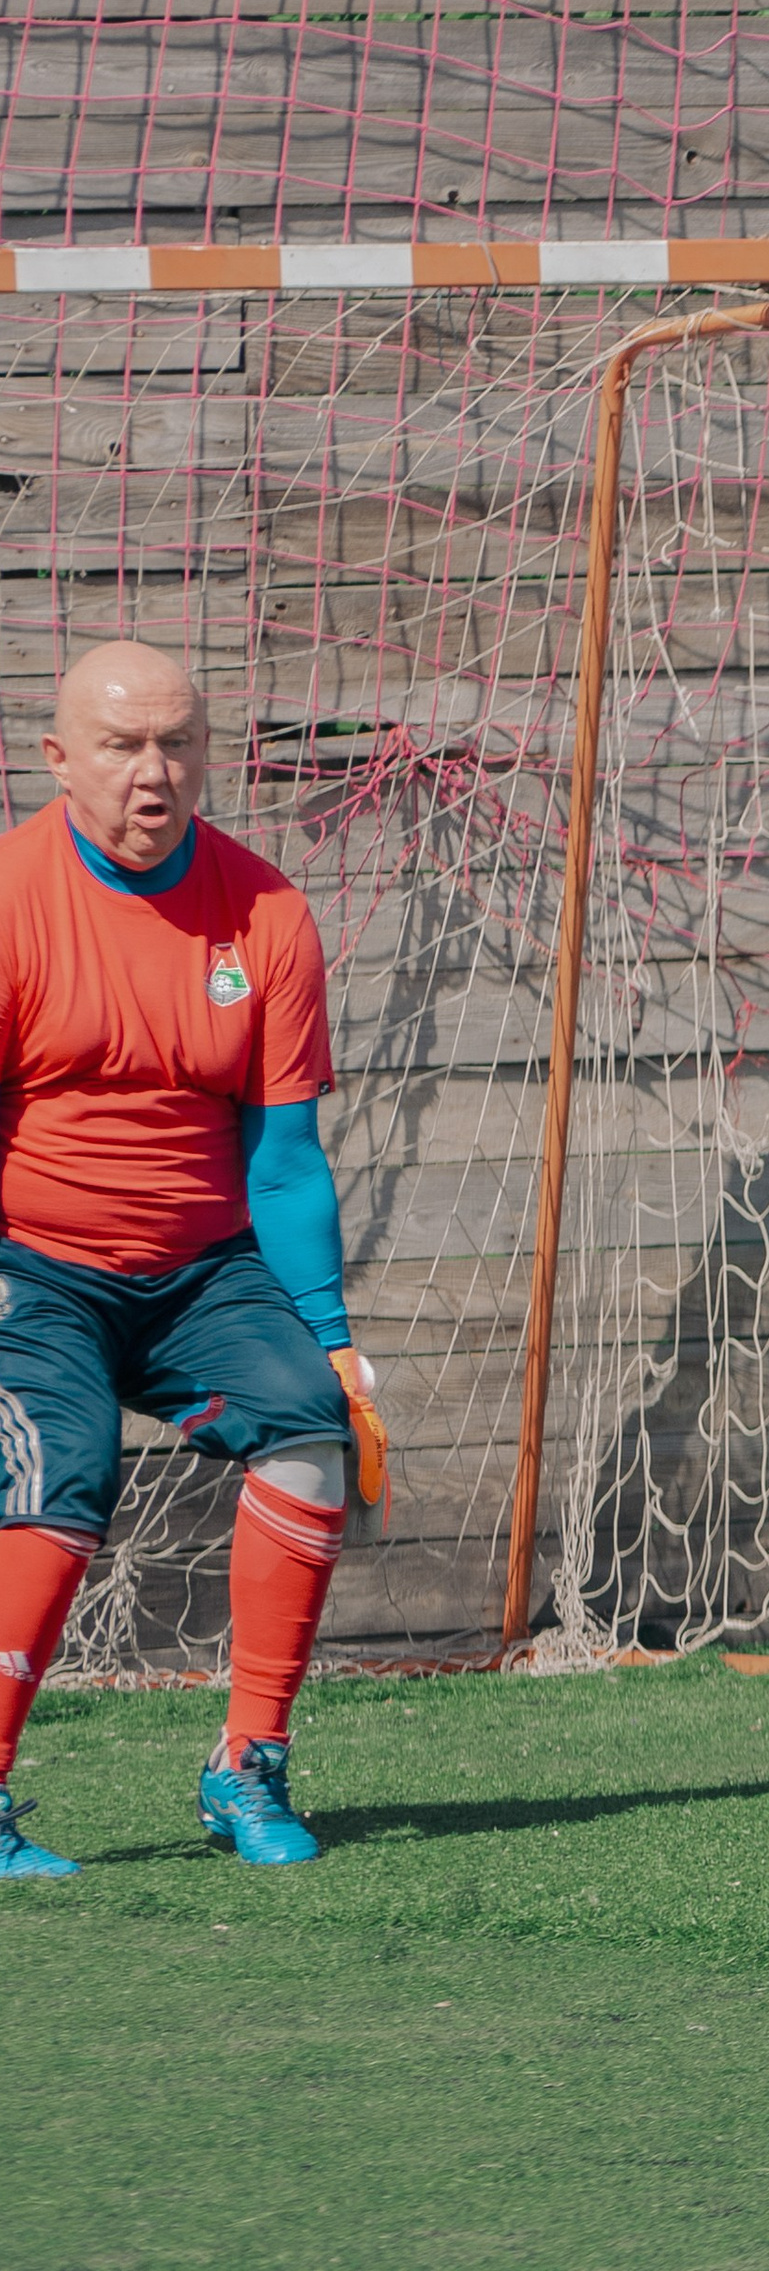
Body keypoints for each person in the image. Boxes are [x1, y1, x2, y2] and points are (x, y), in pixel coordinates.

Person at [0, 643, 387, 1878]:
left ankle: (249, 1766)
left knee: (314, 1433)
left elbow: (283, 1160)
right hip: (34, 1263)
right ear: (58, 758)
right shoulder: (8, 902)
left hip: (201, 1271)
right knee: (61, 1477)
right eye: (121, 746)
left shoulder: (266, 911)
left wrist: (329, 1331)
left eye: (177, 743)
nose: (152, 773)